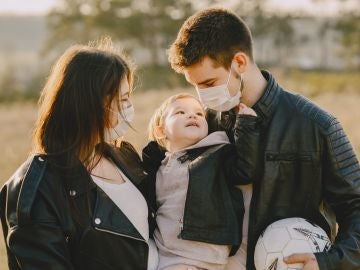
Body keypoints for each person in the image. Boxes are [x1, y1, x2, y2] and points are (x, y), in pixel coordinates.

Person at [167, 7, 360, 270]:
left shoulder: (316, 125)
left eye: (209, 83)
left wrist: (327, 262)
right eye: (195, 86)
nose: (202, 97)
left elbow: (355, 207)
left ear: (239, 63)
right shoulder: (206, 124)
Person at [0, 38, 158, 270]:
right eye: (122, 100)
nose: (129, 108)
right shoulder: (36, 188)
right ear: (90, 103)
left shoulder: (121, 154)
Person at [142, 93, 259, 270]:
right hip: (167, 254)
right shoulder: (156, 167)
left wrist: (246, 126)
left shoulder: (216, 154)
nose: (192, 115)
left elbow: (245, 170)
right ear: (161, 131)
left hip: (204, 254)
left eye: (198, 113)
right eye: (180, 112)